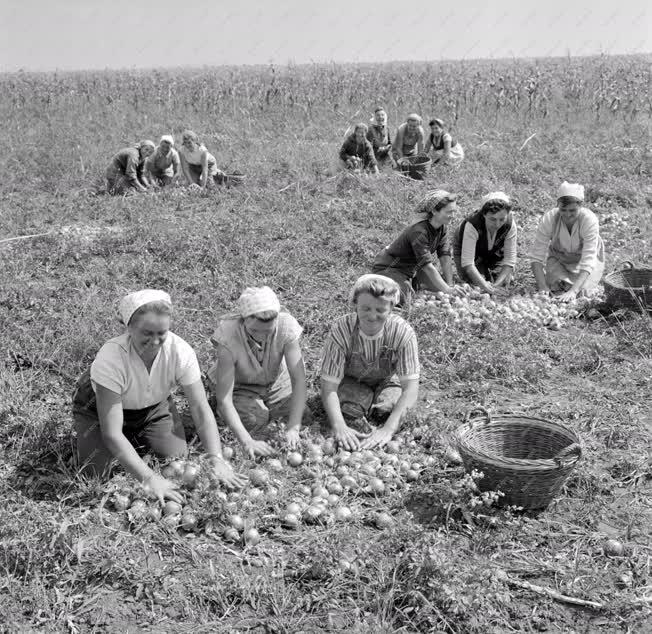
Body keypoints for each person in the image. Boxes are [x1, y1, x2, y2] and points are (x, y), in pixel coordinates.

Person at [72, 289, 246, 503]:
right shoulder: (111, 359)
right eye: (147, 333)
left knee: (175, 460)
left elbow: (200, 408)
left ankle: (139, 437)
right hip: (98, 411)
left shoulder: (180, 352)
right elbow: (112, 433)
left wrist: (216, 458)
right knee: (96, 475)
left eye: (161, 333)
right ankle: (107, 440)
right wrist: (149, 479)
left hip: (151, 408)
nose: (155, 341)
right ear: (129, 327)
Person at [321, 274, 420, 451]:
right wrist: (339, 427)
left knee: (390, 410)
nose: (372, 316)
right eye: (365, 308)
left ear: (391, 308)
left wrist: (388, 429)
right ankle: (361, 412)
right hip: (351, 381)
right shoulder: (341, 330)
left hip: (388, 381)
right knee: (349, 411)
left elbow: (411, 388)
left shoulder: (403, 333)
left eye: (380, 310)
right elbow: (329, 387)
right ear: (355, 304)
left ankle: (379, 415)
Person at [207, 287, 309, 458]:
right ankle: (222, 414)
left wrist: (294, 428)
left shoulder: (286, 327)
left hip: (274, 380)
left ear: (277, 319)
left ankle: (271, 411)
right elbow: (225, 398)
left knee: (301, 414)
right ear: (244, 320)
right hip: (239, 385)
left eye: (268, 331)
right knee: (254, 421)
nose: (261, 336)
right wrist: (247, 441)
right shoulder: (228, 336)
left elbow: (299, 380)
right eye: (254, 331)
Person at [371, 190, 465, 304]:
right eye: (449, 212)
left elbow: (445, 257)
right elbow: (427, 266)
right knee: (403, 297)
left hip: (412, 269)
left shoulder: (442, 228)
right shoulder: (419, 231)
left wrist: (450, 286)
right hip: (390, 268)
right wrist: (447, 290)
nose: (452, 216)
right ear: (434, 211)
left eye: (454, 211)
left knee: (438, 288)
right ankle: (389, 283)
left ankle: (414, 285)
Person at [529, 182, 605, 301]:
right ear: (558, 205)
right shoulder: (549, 219)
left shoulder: (589, 220)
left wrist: (574, 291)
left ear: (581, 206)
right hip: (560, 259)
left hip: (584, 261)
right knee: (554, 285)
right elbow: (536, 257)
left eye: (573, 210)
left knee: (584, 292)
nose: (567, 215)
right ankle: (564, 283)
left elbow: (588, 259)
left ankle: (578, 286)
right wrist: (542, 287)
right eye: (563, 210)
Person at [453, 192, 518, 295]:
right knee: (475, 283)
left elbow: (509, 260)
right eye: (492, 219)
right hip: (470, 252)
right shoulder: (472, 225)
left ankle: (491, 274)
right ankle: (482, 272)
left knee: (503, 281)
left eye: (502, 219)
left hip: (495, 251)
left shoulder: (510, 225)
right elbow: (468, 264)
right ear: (484, 214)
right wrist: (485, 286)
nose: (497, 224)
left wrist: (495, 286)